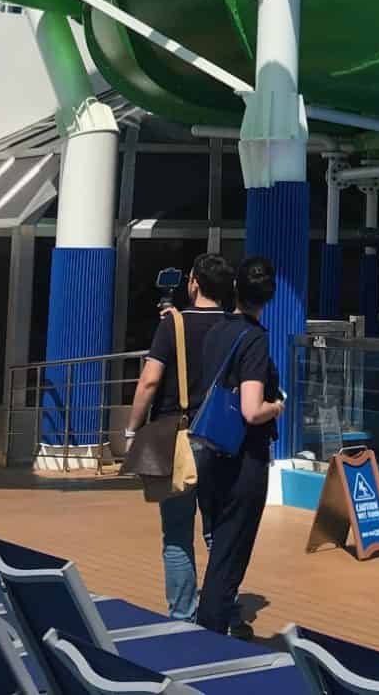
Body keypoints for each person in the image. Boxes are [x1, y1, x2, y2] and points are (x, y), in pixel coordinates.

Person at [124, 253, 234, 620]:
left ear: (194, 283)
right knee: (219, 533)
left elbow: (149, 380)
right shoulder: (235, 327)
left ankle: (182, 616)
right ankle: (223, 612)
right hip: (222, 439)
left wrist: (132, 429)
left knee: (177, 534)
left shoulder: (174, 324)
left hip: (178, 436)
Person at [194, 256, 286, 637]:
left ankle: (214, 621)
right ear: (269, 297)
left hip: (210, 451)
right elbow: (251, 409)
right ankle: (211, 633)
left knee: (219, 546)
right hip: (244, 458)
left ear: (235, 289)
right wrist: (276, 406)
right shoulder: (255, 338)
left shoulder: (216, 331)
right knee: (230, 554)